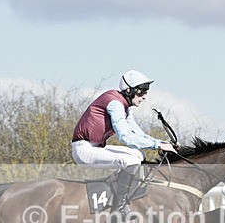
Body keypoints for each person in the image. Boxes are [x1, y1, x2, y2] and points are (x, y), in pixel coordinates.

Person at [71, 69, 176, 210]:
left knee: (139, 155)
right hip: (83, 151)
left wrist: (163, 143)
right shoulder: (115, 104)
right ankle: (119, 207)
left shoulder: (124, 107)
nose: (144, 96)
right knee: (131, 161)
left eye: (146, 92)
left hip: (94, 147)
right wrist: (157, 145)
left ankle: (125, 190)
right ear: (128, 90)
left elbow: (138, 133)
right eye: (141, 92)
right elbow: (125, 136)